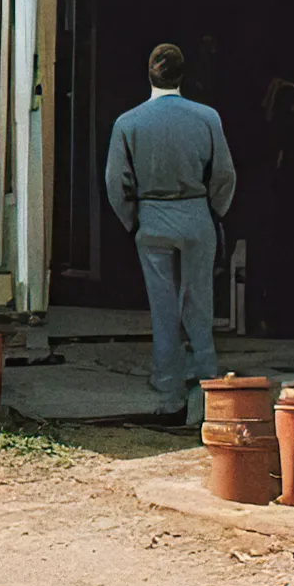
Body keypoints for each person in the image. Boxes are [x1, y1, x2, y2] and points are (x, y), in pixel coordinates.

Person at [103, 42, 239, 427]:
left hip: (153, 215)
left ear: (149, 74)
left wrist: (134, 220)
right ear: (183, 75)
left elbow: (116, 181)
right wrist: (214, 209)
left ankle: (168, 386)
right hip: (196, 213)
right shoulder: (207, 117)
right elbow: (225, 173)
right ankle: (206, 377)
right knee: (200, 299)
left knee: (163, 305)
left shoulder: (128, 123)